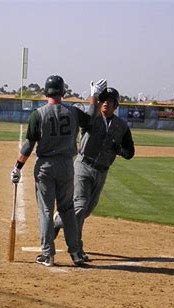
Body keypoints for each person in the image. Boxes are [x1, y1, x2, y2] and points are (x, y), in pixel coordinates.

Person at [10, 75, 107, 267]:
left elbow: (29, 145)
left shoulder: (38, 114)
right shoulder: (72, 112)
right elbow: (91, 119)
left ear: (46, 92)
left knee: (46, 210)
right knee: (68, 210)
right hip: (66, 166)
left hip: (45, 166)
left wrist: (17, 167)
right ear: (63, 92)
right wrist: (94, 96)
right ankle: (76, 253)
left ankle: (48, 254)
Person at [53, 87, 135, 261]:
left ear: (116, 105)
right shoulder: (92, 118)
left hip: (102, 171)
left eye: (110, 101)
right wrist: (93, 95)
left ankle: (59, 220)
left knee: (86, 210)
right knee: (80, 207)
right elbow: (83, 120)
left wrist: (119, 149)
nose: (106, 103)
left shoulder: (121, 126)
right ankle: (77, 250)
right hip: (83, 166)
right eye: (103, 99)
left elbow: (130, 152)